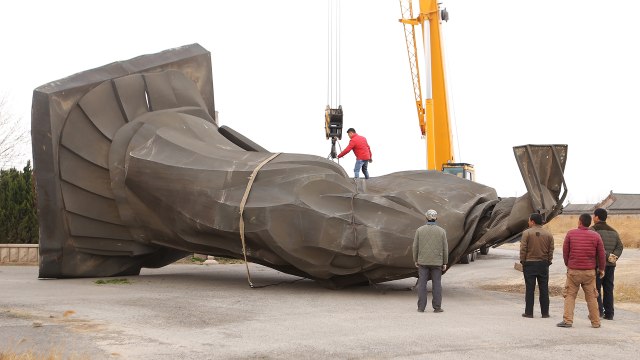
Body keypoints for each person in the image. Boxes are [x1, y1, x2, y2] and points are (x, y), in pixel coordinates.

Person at [557, 213, 606, 328]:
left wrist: (568, 265)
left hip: (573, 271)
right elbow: (601, 254)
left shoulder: (570, 234)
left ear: (579, 222)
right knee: (592, 297)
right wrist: (602, 269)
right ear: (590, 223)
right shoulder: (596, 236)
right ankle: (596, 322)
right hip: (589, 272)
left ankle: (568, 320)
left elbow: (565, 252)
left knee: (570, 295)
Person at [519, 213, 554, 318]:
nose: (528, 222)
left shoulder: (526, 233)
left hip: (529, 263)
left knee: (530, 289)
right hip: (543, 264)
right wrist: (548, 261)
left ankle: (529, 312)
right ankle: (545, 313)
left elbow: (523, 248)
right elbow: (551, 250)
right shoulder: (548, 234)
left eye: (529, 220)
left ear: (533, 222)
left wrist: (523, 261)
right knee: (544, 289)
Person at [413, 209, 448, 313]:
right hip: (437, 262)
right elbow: (445, 248)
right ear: (436, 218)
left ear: (426, 217)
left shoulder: (419, 230)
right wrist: (445, 262)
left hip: (423, 262)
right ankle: (437, 307)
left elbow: (415, 246)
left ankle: (421, 308)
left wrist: (416, 259)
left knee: (422, 284)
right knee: (437, 284)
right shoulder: (442, 231)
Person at [592, 208, 624, 320]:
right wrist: (612, 257)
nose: (592, 217)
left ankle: (598, 312)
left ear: (597, 217)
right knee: (608, 289)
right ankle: (609, 314)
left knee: (596, 288)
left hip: (597, 265)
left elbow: (593, 247)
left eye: (593, 215)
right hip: (610, 266)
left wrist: (605, 255)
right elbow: (620, 247)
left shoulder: (593, 230)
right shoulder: (614, 231)